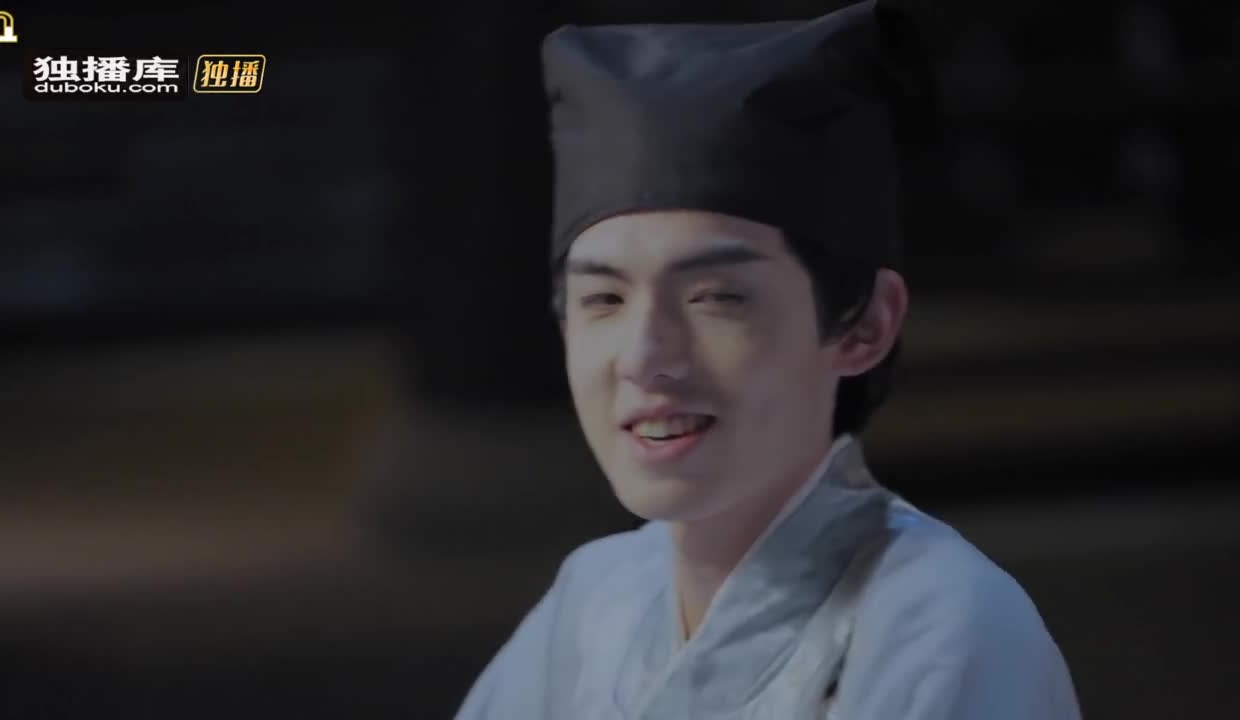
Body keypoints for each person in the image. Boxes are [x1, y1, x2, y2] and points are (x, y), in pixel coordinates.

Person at [456, 1, 1082, 717]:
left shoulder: (945, 628)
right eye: (604, 299)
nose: (644, 356)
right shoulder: (593, 600)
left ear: (865, 323)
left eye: (716, 297)